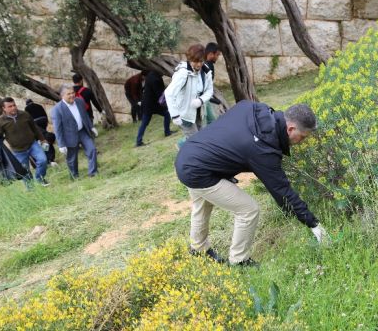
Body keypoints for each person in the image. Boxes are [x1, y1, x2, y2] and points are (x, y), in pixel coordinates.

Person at [175, 101, 328, 266]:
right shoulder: (263, 149)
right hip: (198, 170)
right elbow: (282, 192)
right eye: (303, 137)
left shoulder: (254, 108)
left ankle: (198, 249)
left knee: (203, 203)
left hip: (190, 154)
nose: (303, 141)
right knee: (248, 209)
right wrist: (313, 224)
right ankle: (239, 260)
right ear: (290, 129)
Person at [0, 97, 49, 186]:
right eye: (10, 106)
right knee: (24, 170)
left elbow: (35, 128)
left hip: (32, 145)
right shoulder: (0, 121)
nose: (13, 108)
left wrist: (42, 139)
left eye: (14, 105)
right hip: (18, 150)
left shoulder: (24, 114)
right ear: (4, 108)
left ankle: (40, 178)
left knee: (43, 160)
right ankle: (30, 189)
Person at [164, 44, 214, 140]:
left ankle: (184, 150)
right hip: (185, 114)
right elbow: (169, 93)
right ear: (190, 59)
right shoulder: (183, 73)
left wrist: (201, 100)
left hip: (199, 111)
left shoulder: (206, 71)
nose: (199, 64)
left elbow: (209, 90)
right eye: (195, 61)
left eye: (201, 61)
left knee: (200, 139)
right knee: (196, 142)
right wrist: (175, 115)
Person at [51, 84, 99, 178]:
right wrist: (61, 144)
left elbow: (85, 115)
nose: (72, 95)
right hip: (69, 136)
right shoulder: (57, 110)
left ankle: (93, 173)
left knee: (92, 149)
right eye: (69, 94)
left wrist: (91, 127)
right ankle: (74, 176)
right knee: (72, 159)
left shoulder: (79, 101)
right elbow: (57, 128)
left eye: (73, 93)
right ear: (62, 95)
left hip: (82, 132)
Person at [136, 71, 175, 147]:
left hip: (150, 103)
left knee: (166, 114)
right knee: (145, 122)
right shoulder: (155, 78)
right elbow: (159, 93)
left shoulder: (151, 75)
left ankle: (167, 132)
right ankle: (138, 141)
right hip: (150, 105)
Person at [25, 99, 56, 165]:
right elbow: (45, 113)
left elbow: (28, 118)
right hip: (43, 120)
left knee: (41, 138)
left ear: (27, 104)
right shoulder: (38, 105)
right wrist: (46, 122)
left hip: (35, 123)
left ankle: (46, 157)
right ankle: (50, 158)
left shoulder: (26, 108)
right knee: (44, 136)